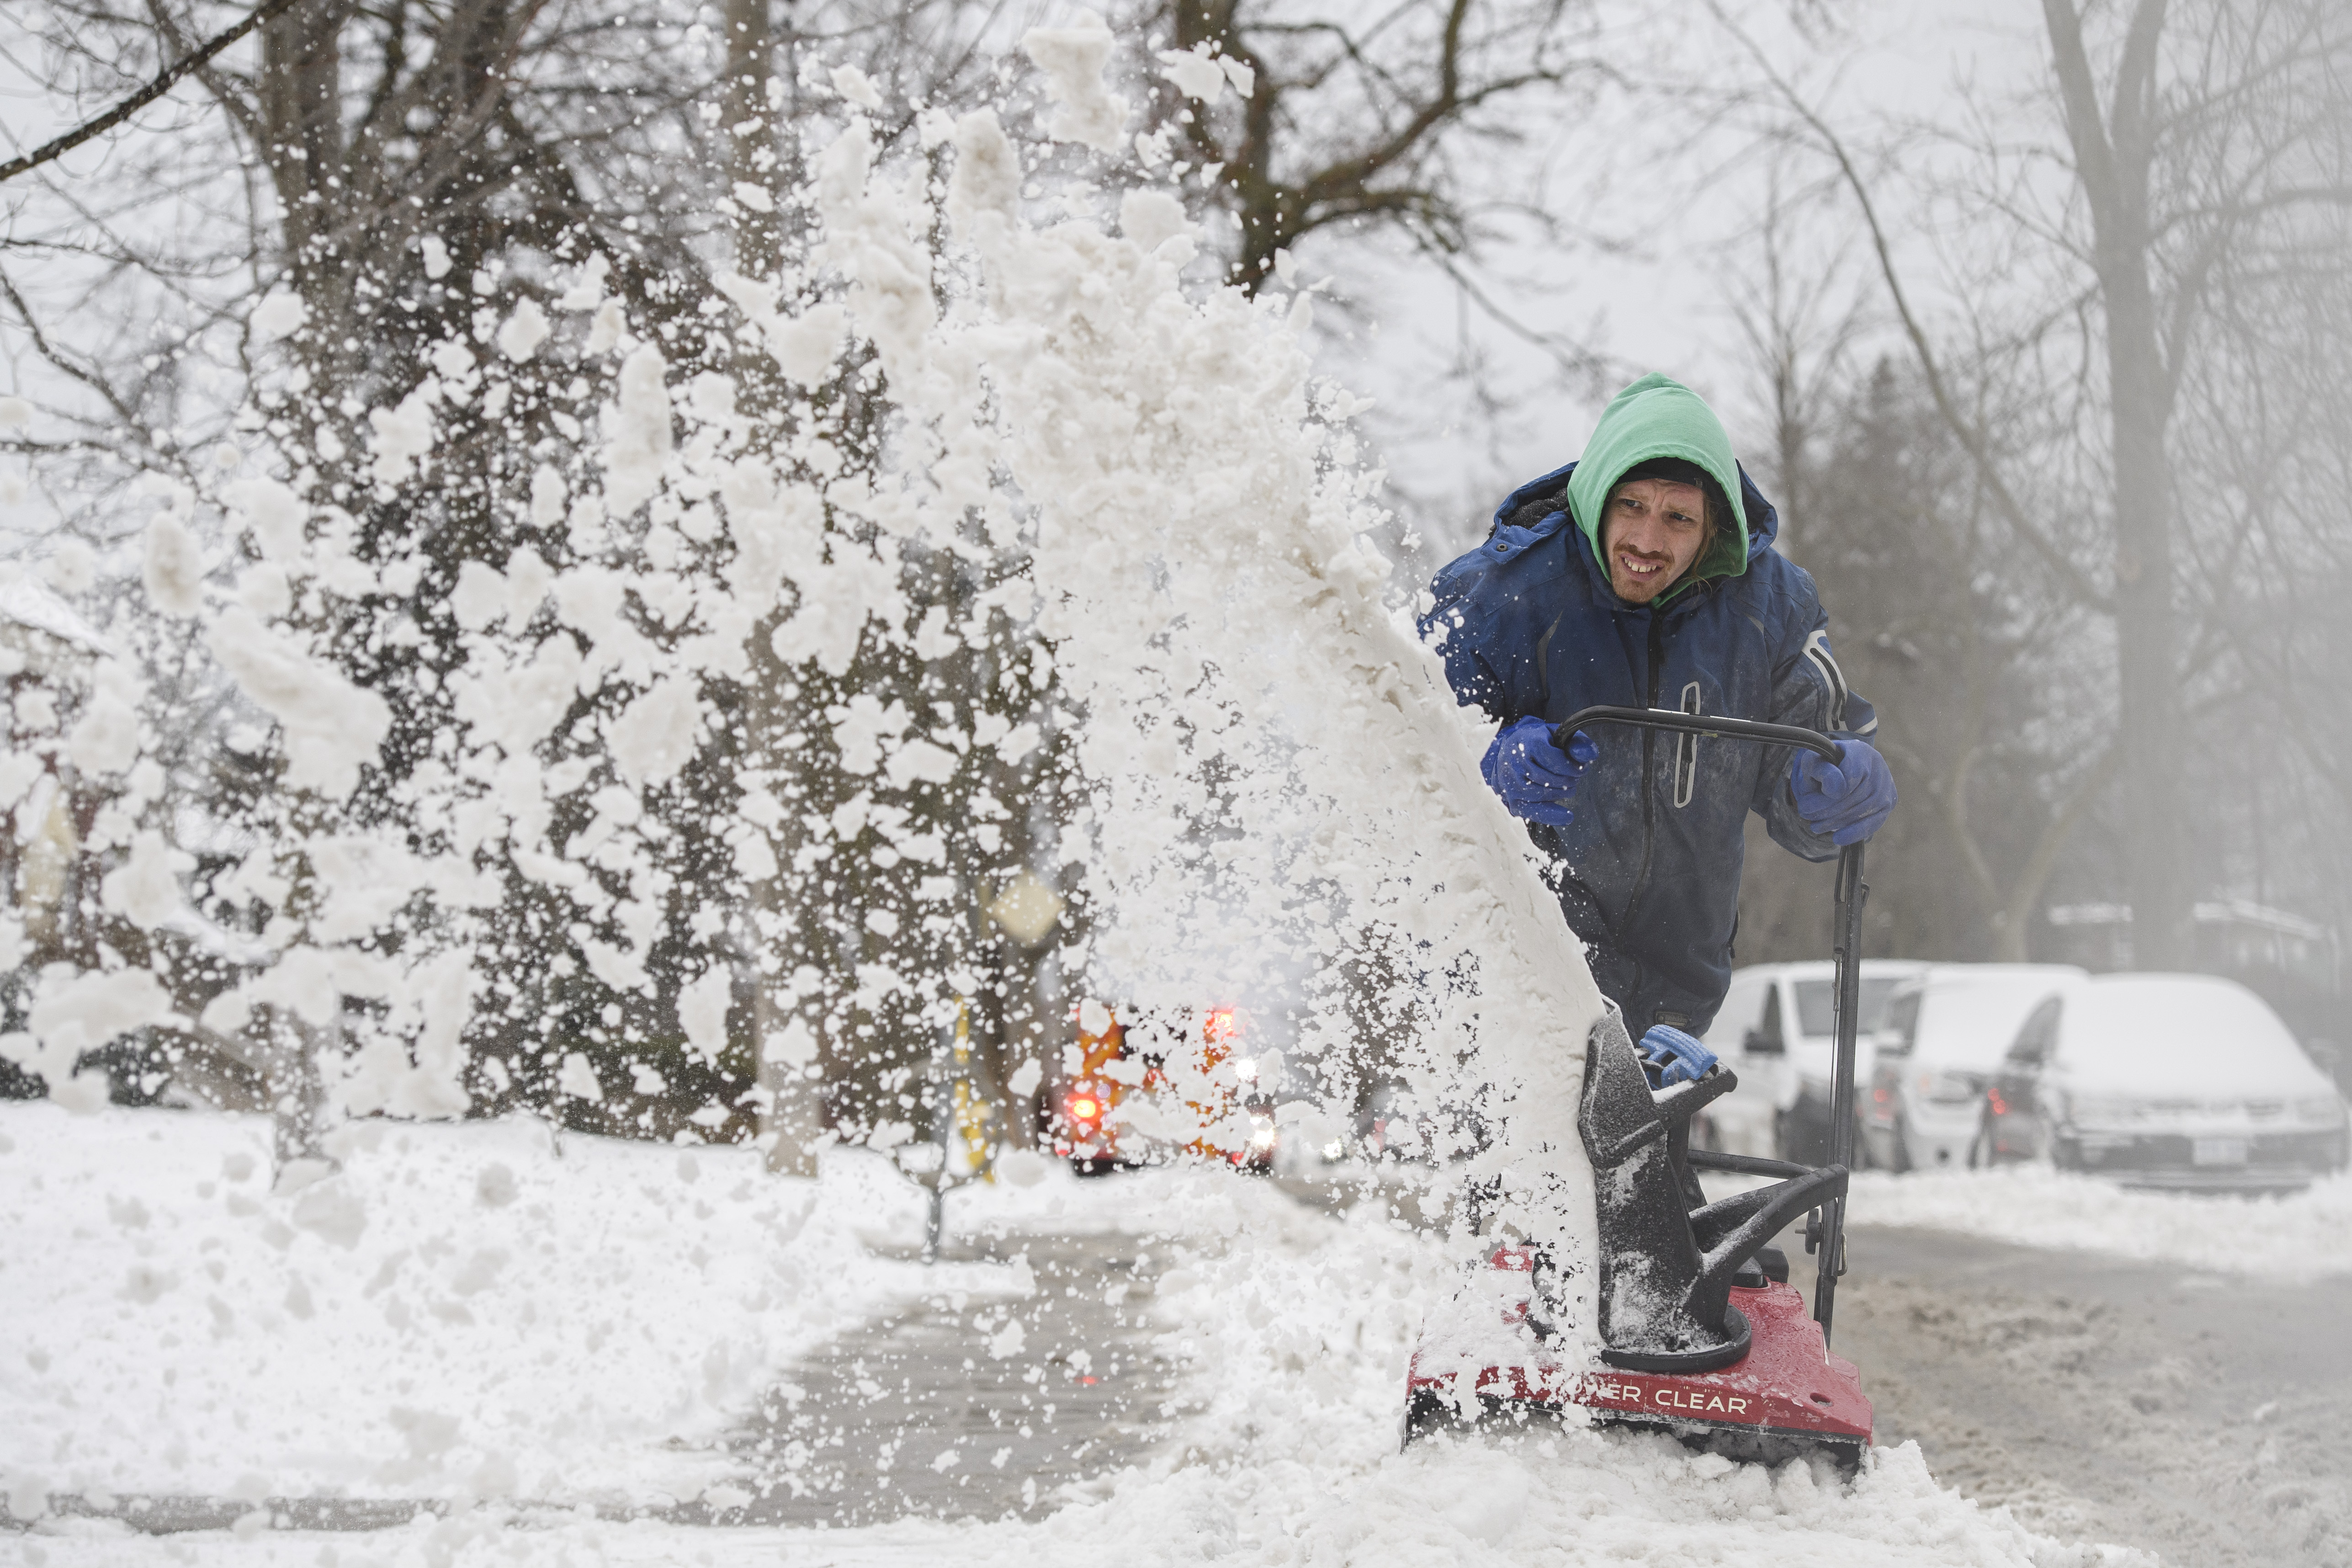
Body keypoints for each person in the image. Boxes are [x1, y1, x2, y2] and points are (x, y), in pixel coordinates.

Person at [1421, 372, 1894, 1066]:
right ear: (1597, 499)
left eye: (1679, 518)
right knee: (1541, 1130)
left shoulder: (1769, 607)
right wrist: (1487, 761)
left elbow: (1809, 756)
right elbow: (1401, 746)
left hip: (1676, 995)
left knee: (1641, 1137)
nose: (1647, 539)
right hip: (1513, 975)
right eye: (1632, 506)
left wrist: (1829, 785)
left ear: (1714, 528)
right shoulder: (1504, 593)